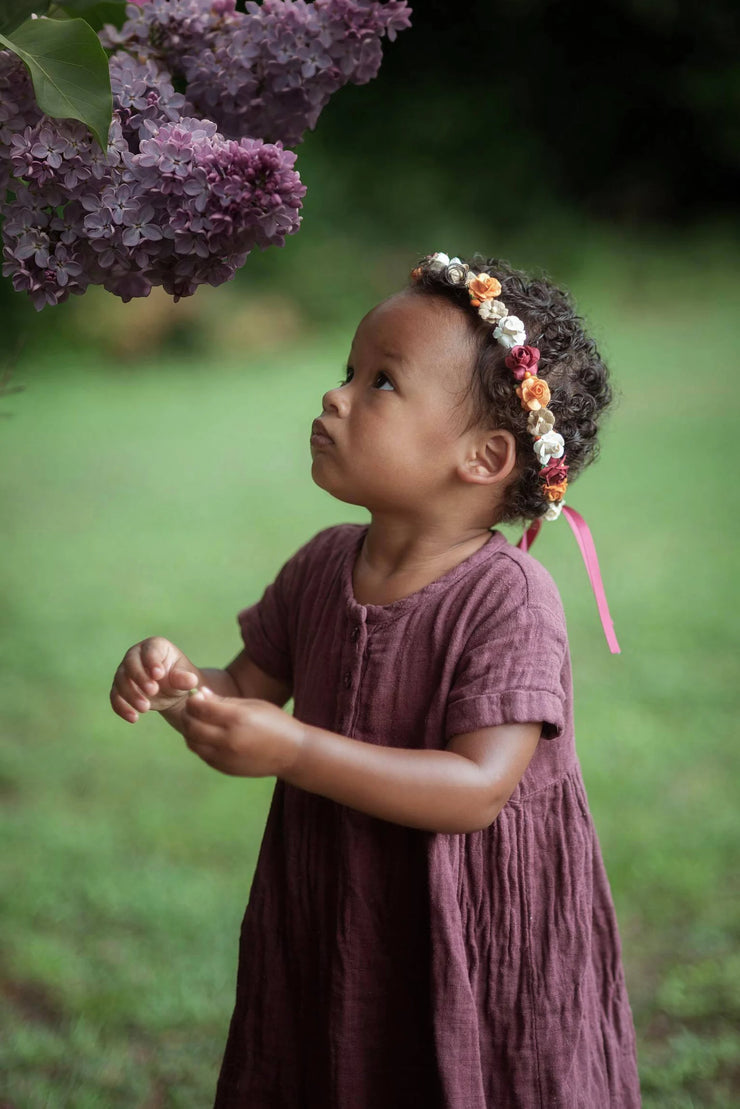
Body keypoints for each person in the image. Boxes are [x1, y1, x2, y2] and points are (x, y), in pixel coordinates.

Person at [110, 252, 641, 1108]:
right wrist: (182, 687)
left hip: (469, 926)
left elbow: (476, 790)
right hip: (335, 904)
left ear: (483, 455)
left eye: (381, 383)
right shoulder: (323, 568)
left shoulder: (508, 599)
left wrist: (295, 748)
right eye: (347, 371)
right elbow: (248, 695)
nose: (336, 396)